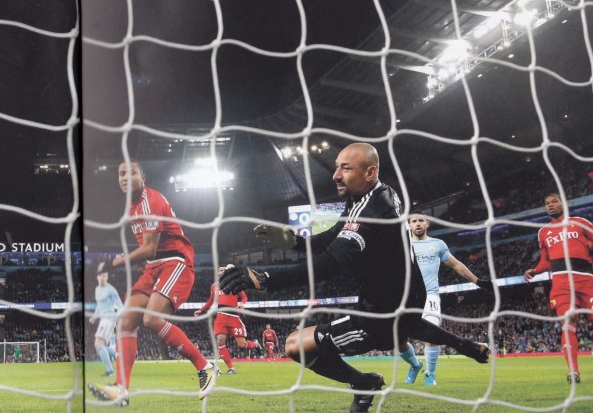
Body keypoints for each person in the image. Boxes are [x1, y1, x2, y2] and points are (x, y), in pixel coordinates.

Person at [220, 143, 436, 412]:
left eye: (345, 168)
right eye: (337, 167)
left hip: (387, 315)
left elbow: (331, 263)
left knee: (295, 346)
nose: (335, 175)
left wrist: (265, 279)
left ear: (369, 172)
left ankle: (363, 383)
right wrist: (296, 242)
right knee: (299, 343)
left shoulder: (372, 209)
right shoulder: (375, 194)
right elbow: (333, 234)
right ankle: (365, 383)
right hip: (391, 301)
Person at [88, 160, 219, 407]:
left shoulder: (150, 201)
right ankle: (121, 389)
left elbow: (149, 249)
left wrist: (113, 262)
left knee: (151, 319)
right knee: (126, 320)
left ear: (143, 176)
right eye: (121, 173)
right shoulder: (132, 207)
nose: (125, 177)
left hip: (175, 262)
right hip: (154, 267)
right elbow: (148, 253)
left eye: (131, 172)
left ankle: (206, 366)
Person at [400, 212, 493, 386]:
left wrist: (478, 281)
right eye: (414, 221)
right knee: (398, 340)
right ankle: (415, 365)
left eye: (421, 221)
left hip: (430, 296)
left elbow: (456, 265)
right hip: (406, 298)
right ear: (409, 225)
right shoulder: (402, 245)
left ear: (427, 224)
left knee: (432, 334)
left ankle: (430, 374)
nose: (418, 224)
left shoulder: (438, 244)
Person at [524, 192, 593, 384]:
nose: (551, 205)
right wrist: (535, 270)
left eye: (555, 201)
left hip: (586, 280)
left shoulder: (580, 222)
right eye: (547, 203)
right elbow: (546, 261)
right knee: (567, 322)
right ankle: (573, 371)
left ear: (564, 203)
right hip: (561, 283)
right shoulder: (543, 232)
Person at [194, 265, 249, 374]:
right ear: (218, 272)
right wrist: (201, 309)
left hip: (233, 316)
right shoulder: (214, 286)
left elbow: (244, 297)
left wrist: (242, 304)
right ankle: (231, 368)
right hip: (221, 317)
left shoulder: (234, 284)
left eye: (224, 270)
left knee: (241, 345)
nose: (222, 271)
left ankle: (255, 344)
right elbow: (211, 300)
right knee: (220, 341)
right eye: (220, 270)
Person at [90, 262, 123, 377]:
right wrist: (94, 316)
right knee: (100, 345)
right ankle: (119, 357)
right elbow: (99, 306)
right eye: (101, 276)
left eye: (105, 276)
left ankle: (110, 371)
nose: (103, 278)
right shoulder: (97, 290)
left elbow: (120, 306)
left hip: (109, 319)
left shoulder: (111, 290)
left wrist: (118, 316)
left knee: (99, 344)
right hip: (103, 319)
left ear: (107, 277)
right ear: (97, 277)